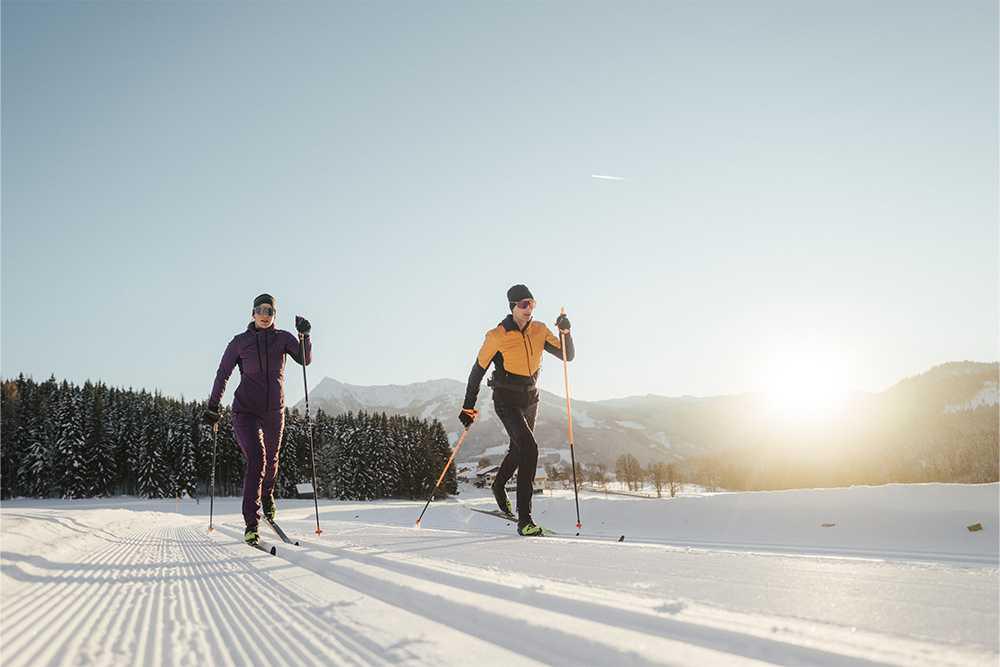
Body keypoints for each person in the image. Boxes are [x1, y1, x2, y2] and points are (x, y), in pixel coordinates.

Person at [459, 284, 574, 536]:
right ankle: (525, 520)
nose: (529, 309)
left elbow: (568, 355)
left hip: (531, 399)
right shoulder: (497, 335)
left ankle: (499, 486)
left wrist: (565, 331)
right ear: (512, 307)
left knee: (518, 449)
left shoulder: (540, 330)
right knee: (529, 449)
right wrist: (468, 406)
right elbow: (477, 371)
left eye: (532, 303)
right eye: (523, 304)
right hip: (506, 400)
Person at [203, 293, 312, 546]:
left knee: (272, 458)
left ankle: (267, 496)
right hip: (245, 411)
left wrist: (305, 337)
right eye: (260, 310)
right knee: (257, 458)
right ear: (252, 313)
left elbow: (304, 360)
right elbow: (223, 373)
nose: (265, 315)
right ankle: (251, 524)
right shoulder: (240, 342)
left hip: (275, 410)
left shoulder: (283, 338)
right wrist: (212, 406)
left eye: (270, 311)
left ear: (275, 315)